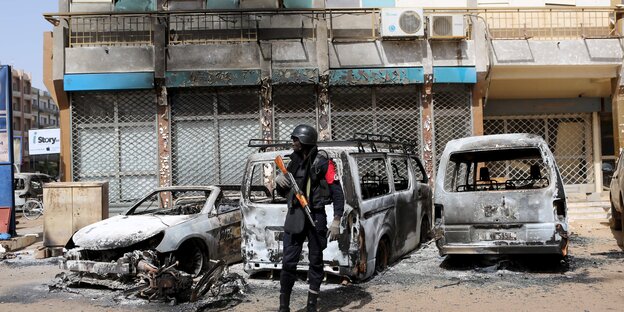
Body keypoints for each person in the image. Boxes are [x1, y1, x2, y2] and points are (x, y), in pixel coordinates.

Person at [275, 124, 345, 312]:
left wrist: (337, 219)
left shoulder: (323, 162)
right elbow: (284, 191)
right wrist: (279, 182)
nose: (293, 142)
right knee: (288, 262)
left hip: (315, 215)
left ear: (305, 140)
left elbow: (337, 192)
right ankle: (284, 306)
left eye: (296, 139)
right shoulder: (292, 161)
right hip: (295, 214)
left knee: (316, 261)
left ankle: (312, 305)